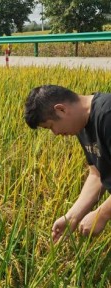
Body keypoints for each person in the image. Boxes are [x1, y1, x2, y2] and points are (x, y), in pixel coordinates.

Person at [24, 85, 111, 243]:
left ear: (61, 110)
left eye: (50, 126)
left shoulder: (107, 115)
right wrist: (72, 217)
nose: (55, 133)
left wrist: (102, 214)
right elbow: (97, 174)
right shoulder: (82, 126)